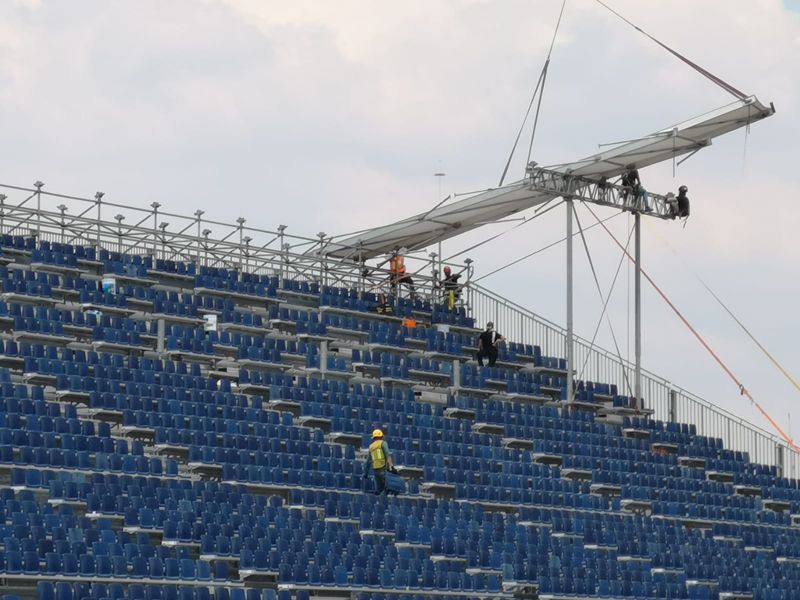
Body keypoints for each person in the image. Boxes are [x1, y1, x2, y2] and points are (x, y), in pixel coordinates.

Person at [363, 429, 395, 495]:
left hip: (376, 470)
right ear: (381, 436)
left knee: (379, 489)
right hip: (383, 469)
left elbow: (368, 461)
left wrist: (366, 473)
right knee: (387, 488)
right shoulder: (383, 443)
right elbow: (387, 455)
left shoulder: (371, 447)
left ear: (374, 437)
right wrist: (391, 466)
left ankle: (379, 501)